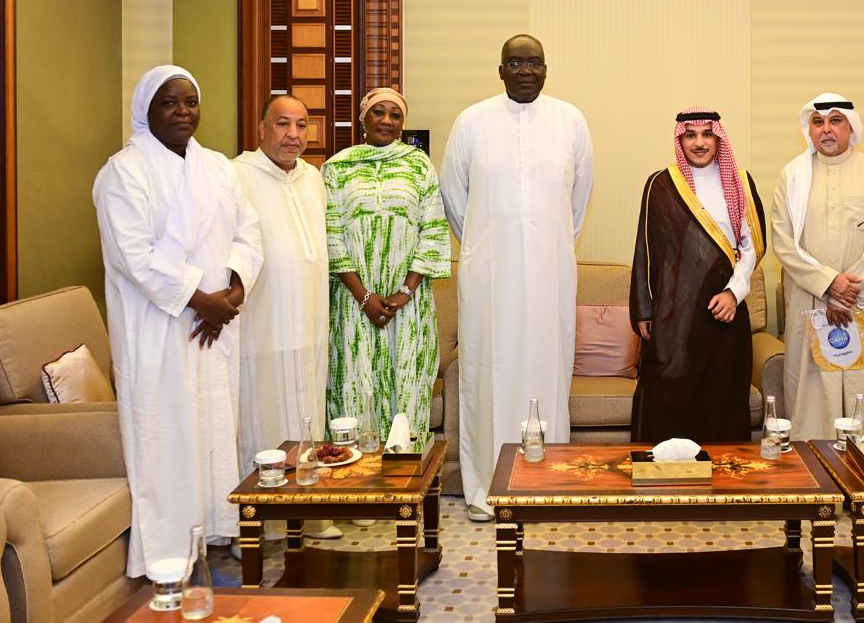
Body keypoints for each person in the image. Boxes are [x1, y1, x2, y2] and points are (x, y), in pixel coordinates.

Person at [93, 65, 263, 578]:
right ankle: (169, 551)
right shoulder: (123, 172)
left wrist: (234, 290)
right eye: (169, 103)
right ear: (145, 109)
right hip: (159, 327)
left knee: (213, 423)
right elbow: (133, 255)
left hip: (217, 323)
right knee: (167, 431)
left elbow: (248, 231)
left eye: (190, 101)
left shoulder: (217, 167)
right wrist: (198, 299)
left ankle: (213, 529)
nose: (182, 111)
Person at [440, 33, 594, 521]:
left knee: (548, 370)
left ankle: (546, 487)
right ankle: (486, 490)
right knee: (488, 372)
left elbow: (578, 201)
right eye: (516, 63)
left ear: (546, 69)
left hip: (551, 271)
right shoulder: (471, 121)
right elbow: (454, 199)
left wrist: (545, 243)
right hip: (488, 274)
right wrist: (489, 243)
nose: (526, 71)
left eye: (534, 62)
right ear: (500, 69)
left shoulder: (570, 120)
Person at [234, 94, 339, 540]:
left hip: (310, 326)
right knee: (263, 420)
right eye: (282, 124)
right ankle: (258, 526)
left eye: (301, 125)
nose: (293, 134)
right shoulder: (236, 175)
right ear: (261, 129)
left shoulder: (313, 178)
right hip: (264, 329)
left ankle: (310, 515)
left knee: (307, 417)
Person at [323, 88, 451, 455]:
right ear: (363, 119)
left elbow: (432, 229)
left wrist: (405, 292)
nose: (386, 120)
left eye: (395, 115)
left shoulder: (418, 165)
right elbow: (330, 233)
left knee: (407, 380)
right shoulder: (337, 167)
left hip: (407, 303)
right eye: (378, 112)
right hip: (353, 300)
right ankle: (355, 477)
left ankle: (405, 474)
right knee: (355, 381)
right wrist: (363, 296)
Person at [629, 108, 766, 443]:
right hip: (673, 315)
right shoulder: (661, 184)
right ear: (680, 140)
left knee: (721, 399)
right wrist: (645, 309)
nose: (699, 143)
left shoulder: (739, 182)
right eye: (691, 135)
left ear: (718, 138)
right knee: (667, 393)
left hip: (724, 312)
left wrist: (734, 293)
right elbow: (645, 247)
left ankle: (723, 474)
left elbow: (750, 247)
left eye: (707, 134)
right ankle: (666, 470)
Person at [771, 93, 864, 439]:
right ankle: (813, 466)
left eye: (835, 121)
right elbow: (783, 243)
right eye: (818, 122)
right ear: (809, 130)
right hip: (810, 301)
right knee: (812, 398)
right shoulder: (792, 176)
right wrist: (829, 284)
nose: (826, 129)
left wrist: (846, 293)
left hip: (863, 301)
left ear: (851, 127)